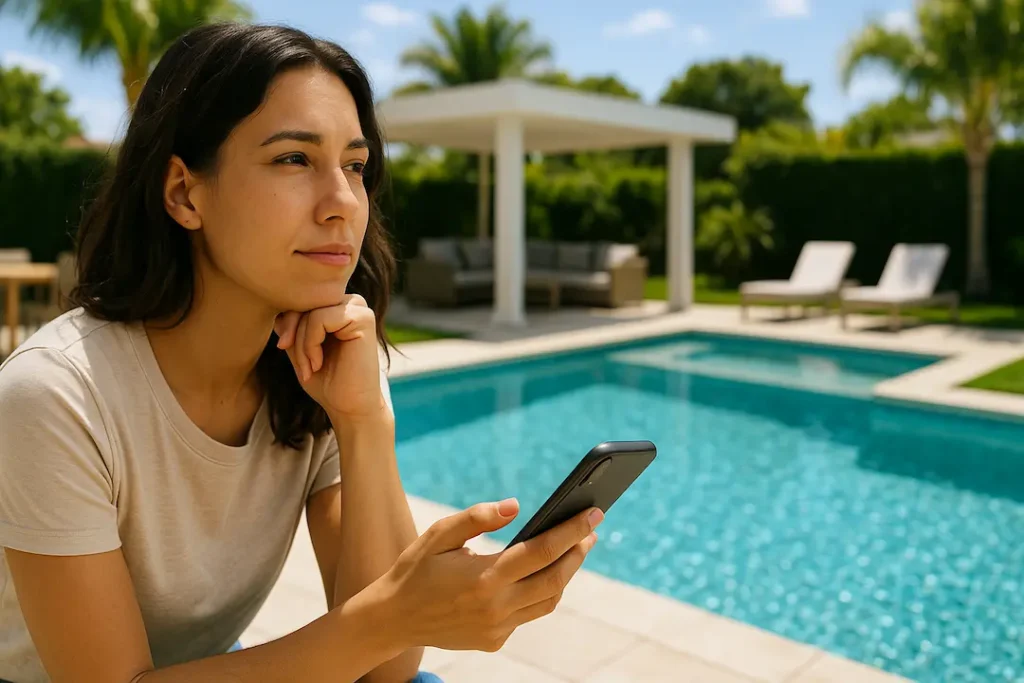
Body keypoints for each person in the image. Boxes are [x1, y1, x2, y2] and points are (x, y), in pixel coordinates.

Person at [0, 22, 602, 683]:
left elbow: (389, 671)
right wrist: (398, 616)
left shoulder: (323, 367)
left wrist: (363, 421)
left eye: (355, 166)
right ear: (183, 193)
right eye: (293, 159)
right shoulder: (57, 395)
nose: (343, 203)